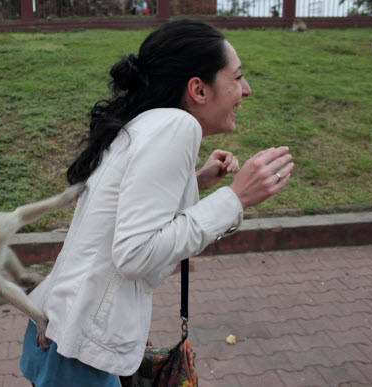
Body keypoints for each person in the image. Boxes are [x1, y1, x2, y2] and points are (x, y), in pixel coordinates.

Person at [20, 19, 294, 386]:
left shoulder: (147, 121)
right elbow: (134, 254)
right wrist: (235, 199)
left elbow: (125, 208)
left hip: (61, 328)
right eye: (237, 76)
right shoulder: (177, 127)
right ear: (198, 88)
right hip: (80, 348)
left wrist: (196, 182)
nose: (246, 89)